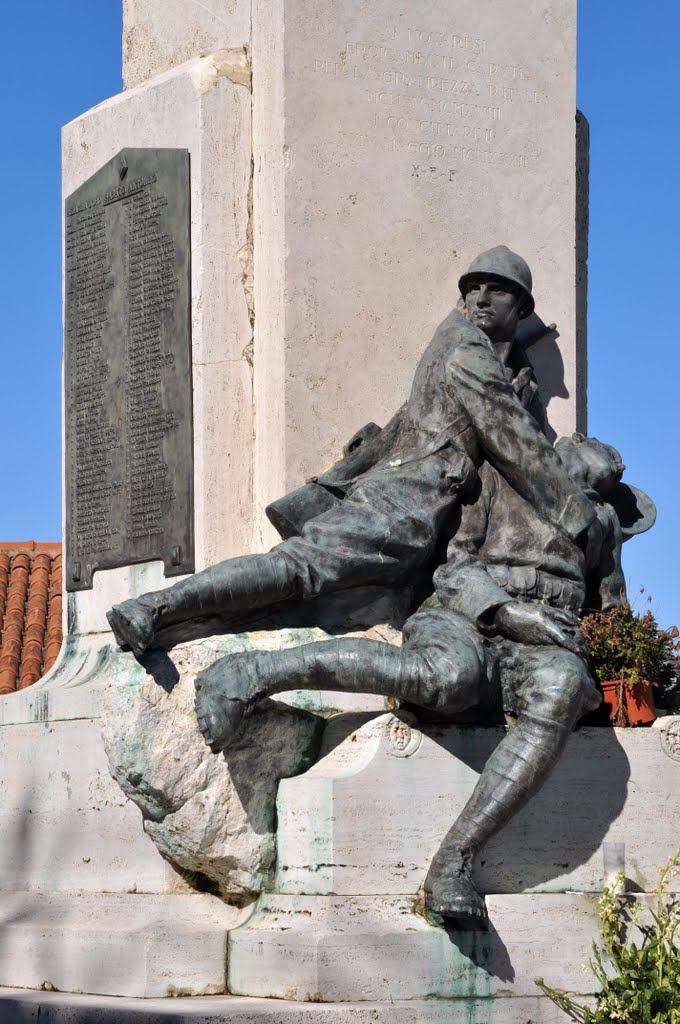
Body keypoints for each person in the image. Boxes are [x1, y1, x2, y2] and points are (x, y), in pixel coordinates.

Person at [192, 434, 653, 927]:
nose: (617, 468)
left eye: (613, 483)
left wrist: (635, 673)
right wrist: (507, 610)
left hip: (544, 643)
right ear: (568, 443)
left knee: (563, 687)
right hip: (468, 616)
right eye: (606, 460)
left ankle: (454, 860)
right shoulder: (500, 475)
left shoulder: (602, 523)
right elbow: (454, 566)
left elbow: (610, 613)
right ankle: (252, 672)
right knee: (447, 676)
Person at [107, 247, 595, 657]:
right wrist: (580, 520)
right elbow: (518, 446)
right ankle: (153, 609)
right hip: (403, 506)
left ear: (522, 307)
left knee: (300, 585)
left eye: (498, 289)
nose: (481, 298)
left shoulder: (480, 353)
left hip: (421, 518)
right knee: (296, 568)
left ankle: (162, 613)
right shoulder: (469, 354)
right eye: (474, 288)